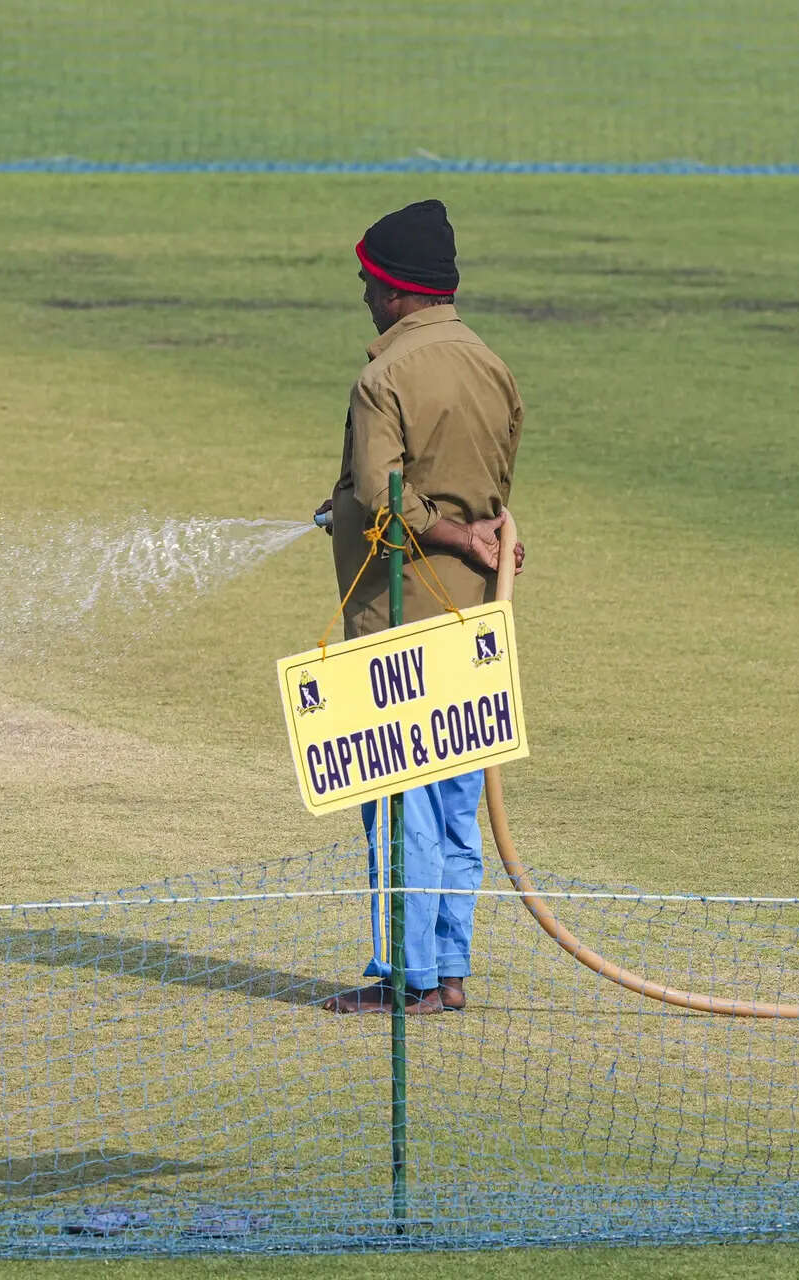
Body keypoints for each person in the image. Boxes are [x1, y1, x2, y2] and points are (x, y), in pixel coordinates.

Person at [315, 200, 525, 1016]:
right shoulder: (489, 363)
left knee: (399, 801)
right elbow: (488, 492)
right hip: (472, 626)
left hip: (398, 623)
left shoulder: (382, 377)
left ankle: (404, 979)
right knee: (453, 802)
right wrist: (471, 538)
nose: (364, 292)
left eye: (371, 280)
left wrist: (425, 527)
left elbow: (386, 506)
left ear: (398, 291)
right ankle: (448, 971)